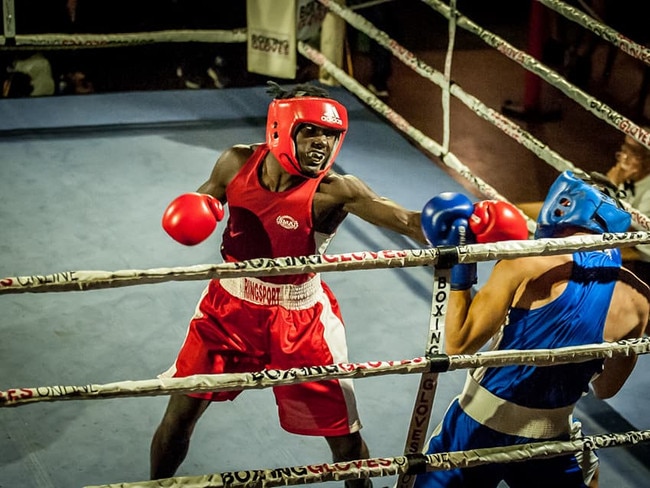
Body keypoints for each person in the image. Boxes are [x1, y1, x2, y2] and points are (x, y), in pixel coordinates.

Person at [151, 81, 429, 487]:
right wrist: (197, 208)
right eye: (312, 131)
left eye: (331, 135)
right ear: (282, 127)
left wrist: (465, 226)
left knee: (345, 443)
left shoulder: (335, 191)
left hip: (301, 321)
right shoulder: (236, 162)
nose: (322, 143)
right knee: (179, 416)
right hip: (228, 308)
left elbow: (405, 221)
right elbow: (204, 199)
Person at [415, 171, 650, 488]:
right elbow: (606, 389)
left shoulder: (525, 262)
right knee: (588, 472)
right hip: (552, 436)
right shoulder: (639, 298)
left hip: (479, 425)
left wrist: (460, 264)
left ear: (563, 204)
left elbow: (459, 345)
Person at [519, 128, 650, 284]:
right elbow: (597, 200)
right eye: (624, 148)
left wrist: (613, 183)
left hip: (640, 258)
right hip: (615, 237)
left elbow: (620, 228)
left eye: (634, 153)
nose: (624, 157)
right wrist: (610, 182)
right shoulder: (629, 175)